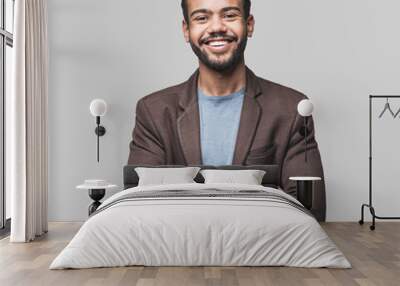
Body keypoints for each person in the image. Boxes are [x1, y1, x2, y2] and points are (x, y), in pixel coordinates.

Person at [128, 0, 326, 221]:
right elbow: (138, 209)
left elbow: (310, 211)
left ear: (249, 24)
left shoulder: (291, 109)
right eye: (202, 18)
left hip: (263, 251)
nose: (216, 27)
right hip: (179, 252)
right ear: (186, 30)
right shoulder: (153, 111)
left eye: (229, 15)